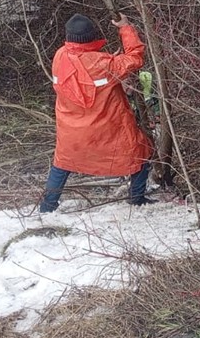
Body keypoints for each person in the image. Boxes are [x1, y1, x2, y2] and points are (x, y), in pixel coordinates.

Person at [38, 11, 154, 213]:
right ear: (92, 36)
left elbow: (84, 71)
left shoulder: (60, 56)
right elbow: (135, 58)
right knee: (140, 152)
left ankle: (47, 206)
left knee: (63, 162)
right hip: (106, 131)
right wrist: (125, 27)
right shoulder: (104, 64)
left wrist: (111, 61)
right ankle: (137, 199)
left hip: (71, 131)